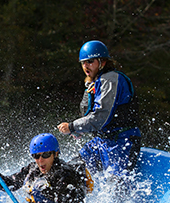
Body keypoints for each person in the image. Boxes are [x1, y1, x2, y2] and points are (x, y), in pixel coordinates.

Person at [56, 40, 141, 189]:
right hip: (102, 142)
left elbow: (101, 117)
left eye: (90, 62)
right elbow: (90, 114)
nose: (85, 66)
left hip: (122, 143)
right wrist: (79, 129)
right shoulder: (94, 82)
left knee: (116, 188)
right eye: (83, 63)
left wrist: (73, 127)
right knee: (70, 171)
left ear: (102, 62)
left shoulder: (110, 80)